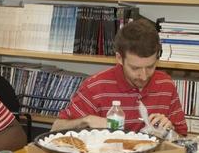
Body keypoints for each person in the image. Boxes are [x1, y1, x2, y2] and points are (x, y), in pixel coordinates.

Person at [51, 18, 188, 136]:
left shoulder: (166, 84)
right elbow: (55, 129)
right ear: (119, 58)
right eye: (135, 68)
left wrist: (169, 132)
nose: (144, 76)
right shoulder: (95, 87)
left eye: (150, 66)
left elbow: (183, 139)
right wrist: (86, 121)